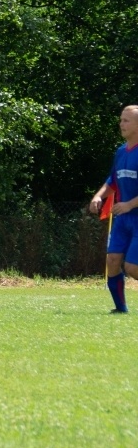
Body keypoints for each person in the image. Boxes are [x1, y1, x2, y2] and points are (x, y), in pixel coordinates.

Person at [87, 104, 138, 313]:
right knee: (113, 260)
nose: (121, 124)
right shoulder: (120, 152)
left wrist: (129, 204)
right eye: (121, 120)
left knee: (133, 268)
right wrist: (98, 196)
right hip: (122, 218)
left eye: (126, 120)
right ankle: (120, 309)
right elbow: (113, 181)